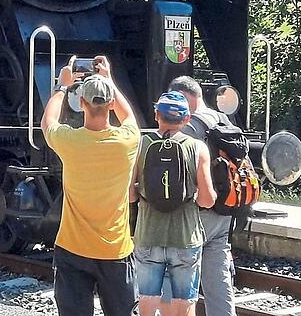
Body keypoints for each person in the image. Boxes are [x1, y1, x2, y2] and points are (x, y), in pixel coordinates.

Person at [40, 56, 139, 316]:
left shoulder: (70, 141)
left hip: (72, 248)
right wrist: (109, 79)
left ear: (81, 102)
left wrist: (62, 87)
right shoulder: (127, 141)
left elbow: (47, 122)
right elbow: (128, 115)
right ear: (109, 105)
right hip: (115, 251)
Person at [131, 91, 216, 316]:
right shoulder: (198, 148)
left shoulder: (140, 145)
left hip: (148, 235)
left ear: (156, 114)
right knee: (185, 299)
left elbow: (129, 195)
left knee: (147, 297)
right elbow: (207, 200)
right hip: (186, 236)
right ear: (187, 119)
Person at [170, 76, 237, 316]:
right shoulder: (223, 119)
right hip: (225, 211)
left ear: (185, 98)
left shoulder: (191, 128)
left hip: (198, 214)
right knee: (218, 279)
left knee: (179, 279)